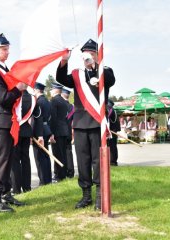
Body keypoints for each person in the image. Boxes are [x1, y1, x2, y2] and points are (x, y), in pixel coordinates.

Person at [56, 38, 115, 210]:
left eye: (92, 53)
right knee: (82, 160)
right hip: (81, 123)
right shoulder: (77, 74)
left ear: (98, 54)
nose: (88, 56)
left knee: (98, 161)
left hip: (97, 123)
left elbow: (110, 81)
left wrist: (96, 65)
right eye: (86, 54)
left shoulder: (105, 71)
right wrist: (64, 60)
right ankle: (86, 195)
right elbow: (60, 78)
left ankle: (99, 196)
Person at [0, 33, 27, 212]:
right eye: (4, 49)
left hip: (9, 120)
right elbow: (2, 98)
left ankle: (6, 194)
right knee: (0, 161)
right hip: (1, 120)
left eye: (8, 49)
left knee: (9, 160)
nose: (8, 52)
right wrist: (18, 90)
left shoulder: (5, 70)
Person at [10, 89, 41, 194]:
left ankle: (16, 189)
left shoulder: (13, 95)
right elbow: (37, 116)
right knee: (25, 160)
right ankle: (27, 187)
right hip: (26, 131)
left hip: (14, 131)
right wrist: (38, 134)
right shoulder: (33, 98)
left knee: (15, 161)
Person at [32, 82, 52, 185]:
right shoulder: (47, 101)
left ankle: (43, 180)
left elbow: (37, 118)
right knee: (46, 156)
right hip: (47, 128)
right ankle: (48, 179)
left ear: (36, 90)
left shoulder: (38, 102)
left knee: (39, 157)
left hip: (40, 130)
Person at [50, 83, 69, 182]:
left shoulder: (54, 101)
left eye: (51, 89)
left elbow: (53, 118)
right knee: (63, 154)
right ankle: (63, 173)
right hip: (64, 130)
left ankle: (59, 175)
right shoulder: (62, 101)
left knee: (57, 154)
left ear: (55, 90)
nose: (50, 91)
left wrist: (51, 133)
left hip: (57, 131)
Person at [61, 87, 75, 178]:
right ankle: (71, 172)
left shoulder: (60, 104)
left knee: (61, 153)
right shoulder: (72, 107)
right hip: (69, 131)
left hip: (62, 131)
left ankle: (63, 171)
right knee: (69, 152)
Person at [108, 100, 120, 166]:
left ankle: (113, 161)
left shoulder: (110, 110)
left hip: (112, 131)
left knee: (112, 147)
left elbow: (107, 117)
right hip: (113, 130)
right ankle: (113, 161)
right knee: (113, 146)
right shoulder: (113, 110)